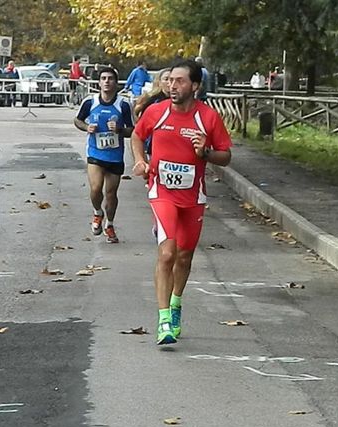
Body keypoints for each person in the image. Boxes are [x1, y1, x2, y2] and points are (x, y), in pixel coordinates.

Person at [131, 59, 232, 345]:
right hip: (161, 192)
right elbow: (137, 136)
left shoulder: (208, 118)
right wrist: (141, 160)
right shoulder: (156, 112)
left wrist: (207, 153)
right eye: (170, 80)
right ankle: (163, 320)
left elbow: (225, 156)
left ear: (195, 86)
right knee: (167, 254)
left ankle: (175, 304)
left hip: (193, 196)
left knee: (185, 256)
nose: (173, 86)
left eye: (180, 81)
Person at [74, 67, 134, 244]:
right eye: (103, 78)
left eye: (110, 79)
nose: (107, 81)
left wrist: (120, 130)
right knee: (95, 188)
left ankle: (110, 223)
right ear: (99, 82)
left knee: (111, 194)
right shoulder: (89, 102)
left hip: (115, 156)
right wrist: (87, 128)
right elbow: (77, 120)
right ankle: (97, 213)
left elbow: (132, 131)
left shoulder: (124, 104)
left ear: (116, 83)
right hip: (95, 152)